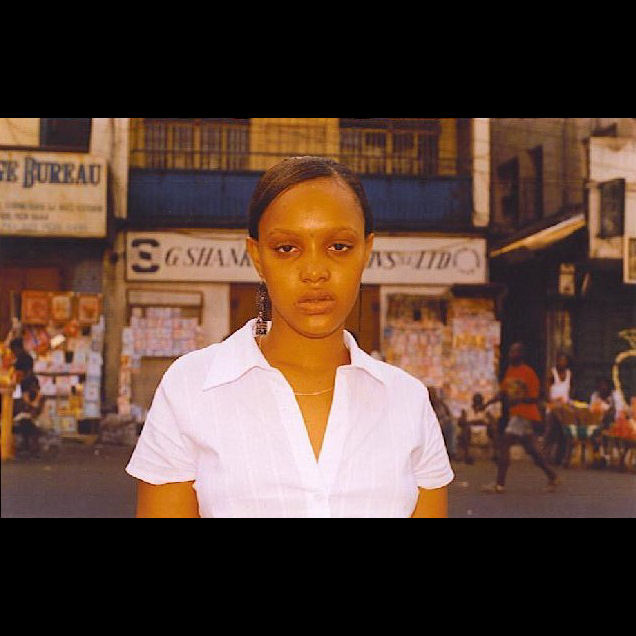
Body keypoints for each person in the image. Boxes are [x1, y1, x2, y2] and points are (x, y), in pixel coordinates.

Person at [125, 156, 454, 518]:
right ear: (257, 257)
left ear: (366, 250)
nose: (314, 271)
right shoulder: (190, 388)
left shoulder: (408, 401)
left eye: (339, 246)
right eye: (286, 248)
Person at [480, 342, 559, 494]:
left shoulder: (528, 373)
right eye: (510, 352)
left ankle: (499, 484)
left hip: (525, 414)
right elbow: (503, 393)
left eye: (514, 352)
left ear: (521, 354)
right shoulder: (510, 371)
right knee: (532, 451)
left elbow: (535, 397)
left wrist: (519, 400)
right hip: (516, 415)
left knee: (505, 442)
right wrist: (487, 404)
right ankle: (552, 476)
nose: (511, 355)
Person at [542, 352, 573, 465]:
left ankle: (559, 458)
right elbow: (546, 390)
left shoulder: (569, 374)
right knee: (550, 432)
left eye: (564, 361)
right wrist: (552, 401)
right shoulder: (552, 373)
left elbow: (570, 390)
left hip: (564, 408)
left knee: (563, 434)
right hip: (553, 407)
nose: (562, 363)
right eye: (560, 361)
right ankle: (545, 456)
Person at [12, 351, 43, 457]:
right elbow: (37, 396)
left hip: (26, 410)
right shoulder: (33, 379)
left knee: (22, 418)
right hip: (31, 409)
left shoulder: (25, 381)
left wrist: (32, 405)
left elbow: (26, 399)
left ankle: (26, 445)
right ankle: (28, 445)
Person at [457, 393, 500, 464]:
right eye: (476, 401)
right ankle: (467, 456)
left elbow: (493, 422)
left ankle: (496, 454)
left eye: (480, 401)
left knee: (493, 429)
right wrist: (474, 422)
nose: (478, 403)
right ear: (473, 401)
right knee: (465, 430)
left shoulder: (486, 411)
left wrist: (484, 422)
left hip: (484, 431)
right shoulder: (466, 410)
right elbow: (460, 422)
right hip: (470, 430)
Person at [428, 387, 456, 461]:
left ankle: (452, 452)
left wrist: (448, 419)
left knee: (451, 427)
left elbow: (450, 415)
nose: (434, 396)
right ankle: (450, 452)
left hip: (445, 423)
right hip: (436, 426)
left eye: (434, 394)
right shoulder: (428, 406)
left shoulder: (442, 404)